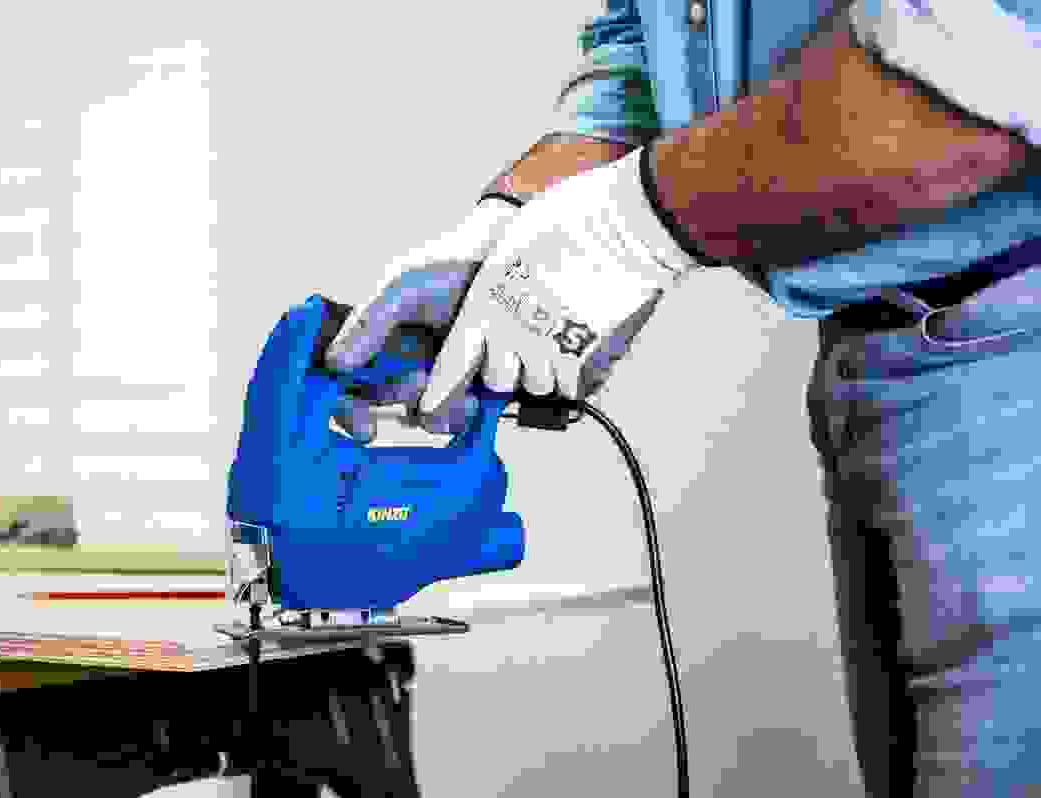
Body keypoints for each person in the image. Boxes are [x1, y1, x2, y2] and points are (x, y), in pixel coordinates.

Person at [323, 0, 1041, 795]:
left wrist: (627, 230)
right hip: (873, 352)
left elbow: (984, 68)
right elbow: (654, 41)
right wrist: (512, 223)